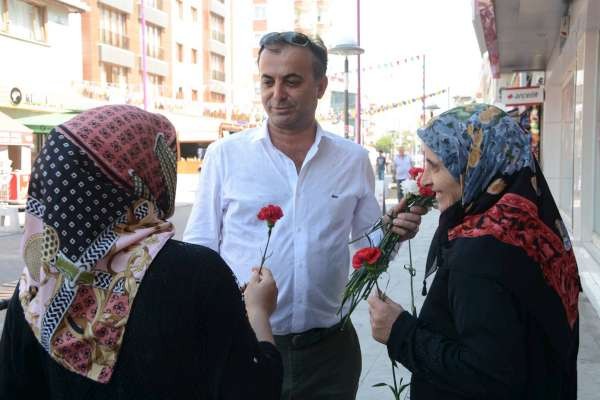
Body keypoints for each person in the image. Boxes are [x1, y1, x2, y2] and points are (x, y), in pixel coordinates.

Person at [183, 31, 422, 400]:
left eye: (291, 81)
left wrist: (392, 232)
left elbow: (368, 249)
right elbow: (199, 250)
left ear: (321, 85)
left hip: (330, 352)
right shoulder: (225, 156)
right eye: (268, 81)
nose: (276, 95)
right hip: (243, 345)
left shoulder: (352, 160)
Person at [0, 105, 283, 399]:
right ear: (150, 171)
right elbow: (256, 387)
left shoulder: (34, 288)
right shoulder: (196, 275)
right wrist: (258, 311)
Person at [368, 104, 580, 399]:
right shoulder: (529, 226)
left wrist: (400, 332)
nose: (424, 181)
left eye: (436, 166)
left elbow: (488, 377)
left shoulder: (481, 255)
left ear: (475, 167)